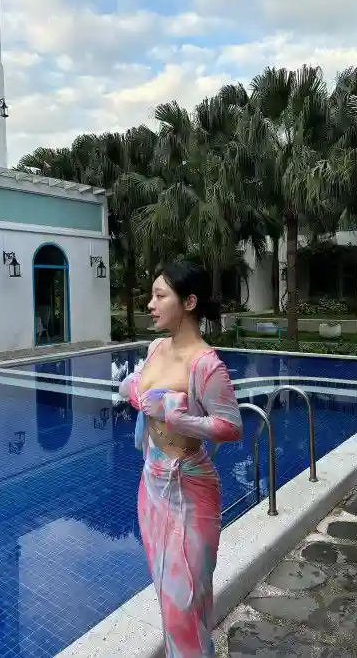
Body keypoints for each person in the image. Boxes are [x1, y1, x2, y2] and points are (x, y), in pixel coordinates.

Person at [119, 260, 243, 658]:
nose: (150, 304)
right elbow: (142, 390)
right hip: (152, 484)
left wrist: (178, 418)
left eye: (160, 296)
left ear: (189, 302)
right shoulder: (156, 348)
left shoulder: (206, 364)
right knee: (168, 597)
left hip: (188, 487)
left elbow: (231, 426)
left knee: (184, 601)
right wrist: (133, 390)